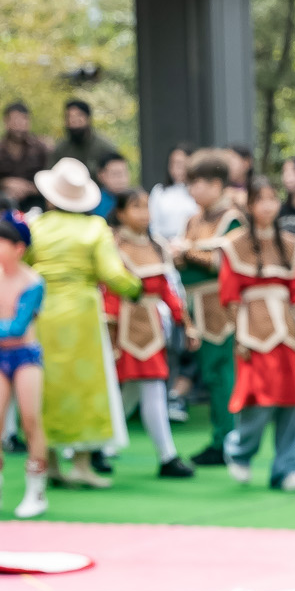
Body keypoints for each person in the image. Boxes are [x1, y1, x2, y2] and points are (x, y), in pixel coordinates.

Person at [26, 157, 141, 489]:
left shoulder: (37, 227)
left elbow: (22, 263)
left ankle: (46, 461)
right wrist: (137, 288)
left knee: (48, 383)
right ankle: (82, 462)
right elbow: (112, 274)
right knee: (89, 385)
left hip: (44, 311)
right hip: (83, 314)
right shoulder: (95, 229)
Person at [218, 178, 295, 493]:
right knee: (259, 399)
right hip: (254, 329)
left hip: (288, 330)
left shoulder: (289, 243)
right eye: (261, 200)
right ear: (249, 205)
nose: (268, 206)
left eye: (273, 199)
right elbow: (230, 294)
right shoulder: (235, 244)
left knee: (293, 400)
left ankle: (287, 468)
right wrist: (239, 335)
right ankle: (240, 451)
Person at [104, 186, 192, 479]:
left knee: (136, 388)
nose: (143, 213)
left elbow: (168, 289)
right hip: (126, 326)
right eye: (135, 207)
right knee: (144, 386)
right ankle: (166, 455)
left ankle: (101, 447)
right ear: (121, 213)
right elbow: (111, 293)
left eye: (146, 206)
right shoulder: (112, 245)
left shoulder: (157, 245)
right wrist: (112, 329)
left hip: (154, 325)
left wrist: (185, 321)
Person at [0, 212, 52, 518]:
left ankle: (36, 491)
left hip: (25, 355)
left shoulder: (33, 282)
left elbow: (17, 326)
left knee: (31, 420)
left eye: (0, 242)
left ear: (19, 248)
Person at [173, 150, 244, 468]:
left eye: (199, 183)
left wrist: (187, 251)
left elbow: (224, 263)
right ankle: (222, 437)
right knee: (211, 374)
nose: (193, 190)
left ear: (217, 184)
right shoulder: (192, 219)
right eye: (191, 183)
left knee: (222, 374)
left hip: (221, 306)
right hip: (195, 305)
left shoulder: (232, 219)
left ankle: (227, 439)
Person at [148, 144, 197, 246]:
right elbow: (153, 225)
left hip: (191, 243)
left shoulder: (197, 190)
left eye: (181, 164)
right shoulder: (159, 191)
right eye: (173, 163)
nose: (177, 168)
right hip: (164, 245)